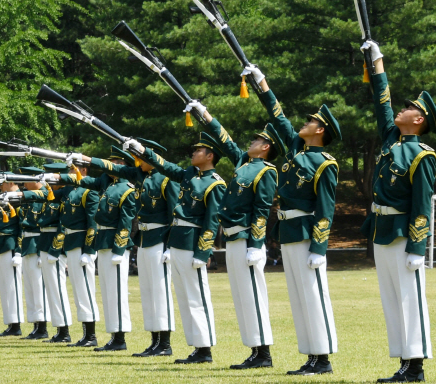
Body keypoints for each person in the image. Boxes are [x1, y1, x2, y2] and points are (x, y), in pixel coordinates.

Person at [248, 63, 341, 376]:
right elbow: (279, 118)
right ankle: (311, 357)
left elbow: (326, 207)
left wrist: (320, 246)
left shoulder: (324, 163)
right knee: (300, 298)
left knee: (314, 295)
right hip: (288, 231)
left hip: (305, 232)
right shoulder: (296, 154)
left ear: (320, 131)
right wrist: (262, 84)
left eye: (312, 120)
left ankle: (323, 358)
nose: (305, 122)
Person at [184, 101, 285, 369]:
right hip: (233, 239)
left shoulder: (266, 170)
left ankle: (264, 353)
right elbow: (225, 139)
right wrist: (205, 114)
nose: (251, 141)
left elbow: (262, 209)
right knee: (242, 297)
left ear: (266, 147)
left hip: (247, 240)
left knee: (252, 294)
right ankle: (255, 350)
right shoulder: (244, 163)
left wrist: (256, 244)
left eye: (257, 140)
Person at [359, 41, 436, 383]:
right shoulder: (393, 141)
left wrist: (418, 247)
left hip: (405, 235)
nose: (401, 110)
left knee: (410, 300)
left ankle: (416, 366)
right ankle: (404, 363)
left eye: (408, 108)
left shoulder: (422, 155)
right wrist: (376, 62)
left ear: (417, 119)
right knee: (392, 300)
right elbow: (382, 104)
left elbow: (423, 204)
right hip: (382, 230)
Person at [71, 138, 179, 357]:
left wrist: (170, 245)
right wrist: (85, 160)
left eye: (142, 157)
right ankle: (154, 340)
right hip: (145, 240)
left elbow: (174, 214)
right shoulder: (140, 177)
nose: (138, 161)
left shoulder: (167, 179)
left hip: (160, 239)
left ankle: (165, 343)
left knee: (160, 292)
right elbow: (110, 169)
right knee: (148, 294)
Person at [124, 133, 226, 364]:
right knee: (185, 298)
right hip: (179, 241)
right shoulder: (189, 175)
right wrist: (141, 150)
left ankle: (205, 348)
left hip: (192, 243)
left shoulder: (215, 183)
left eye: (198, 150)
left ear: (210, 156)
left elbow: (212, 221)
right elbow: (165, 165)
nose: (193, 152)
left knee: (198, 297)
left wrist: (203, 252)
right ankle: (197, 348)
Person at [58, 146, 138, 351]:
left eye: (114, 162)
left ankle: (120, 337)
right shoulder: (106, 184)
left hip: (114, 245)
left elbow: (126, 222)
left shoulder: (127, 188)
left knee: (117, 293)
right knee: (108, 293)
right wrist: (55, 176)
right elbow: (83, 181)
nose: (110, 166)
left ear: (122, 165)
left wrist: (119, 250)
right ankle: (114, 335)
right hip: (103, 243)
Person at [49, 162, 100, 347]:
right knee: (79, 292)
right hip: (71, 243)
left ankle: (91, 335)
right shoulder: (72, 190)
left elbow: (92, 223)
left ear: (83, 170)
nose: (69, 173)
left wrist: (89, 250)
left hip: (81, 244)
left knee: (85, 290)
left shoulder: (89, 190)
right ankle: (86, 334)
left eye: (71, 170)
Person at [36, 162, 73, 343]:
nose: (49, 182)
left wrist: (56, 249)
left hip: (54, 247)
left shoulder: (65, 195)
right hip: (45, 244)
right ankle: (60, 329)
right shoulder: (52, 196)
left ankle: (64, 331)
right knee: (52, 289)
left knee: (58, 289)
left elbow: (63, 224)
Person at [16, 166, 52, 340]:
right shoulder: (29, 199)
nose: (23, 183)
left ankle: (43, 325)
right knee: (30, 288)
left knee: (39, 288)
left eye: (25, 179)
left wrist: (41, 252)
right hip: (27, 245)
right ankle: (36, 325)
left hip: (38, 244)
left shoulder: (46, 195)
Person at [0, 177, 25, 337]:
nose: (0, 185)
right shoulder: (5, 199)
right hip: (2, 245)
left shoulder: (19, 199)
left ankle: (16, 323)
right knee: (5, 287)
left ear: (12, 183)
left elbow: (22, 227)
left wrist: (18, 251)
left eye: (3, 182)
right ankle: (10, 323)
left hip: (12, 246)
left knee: (13, 288)